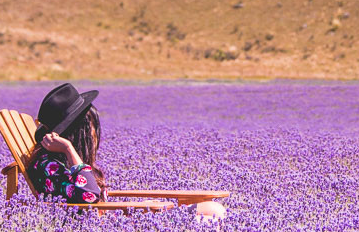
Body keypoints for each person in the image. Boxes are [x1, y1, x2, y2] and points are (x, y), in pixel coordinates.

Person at [28, 83, 226, 219]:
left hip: (115, 220)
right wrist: (69, 149)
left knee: (214, 209)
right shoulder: (48, 166)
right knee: (209, 220)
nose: (96, 135)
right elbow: (88, 195)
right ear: (77, 134)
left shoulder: (61, 161)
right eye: (92, 128)